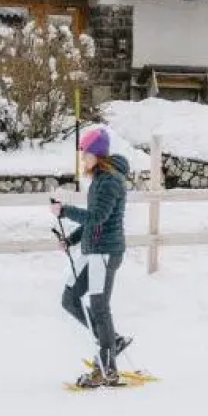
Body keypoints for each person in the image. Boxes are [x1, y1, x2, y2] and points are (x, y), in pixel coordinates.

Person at [51, 125, 129, 388]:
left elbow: (97, 218)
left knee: (99, 306)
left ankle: (107, 369)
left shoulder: (110, 182)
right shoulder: (99, 180)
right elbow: (93, 221)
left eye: (85, 154)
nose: (82, 159)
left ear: (98, 155)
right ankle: (110, 340)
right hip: (92, 249)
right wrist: (70, 240)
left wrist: (65, 211)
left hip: (105, 252)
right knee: (69, 298)